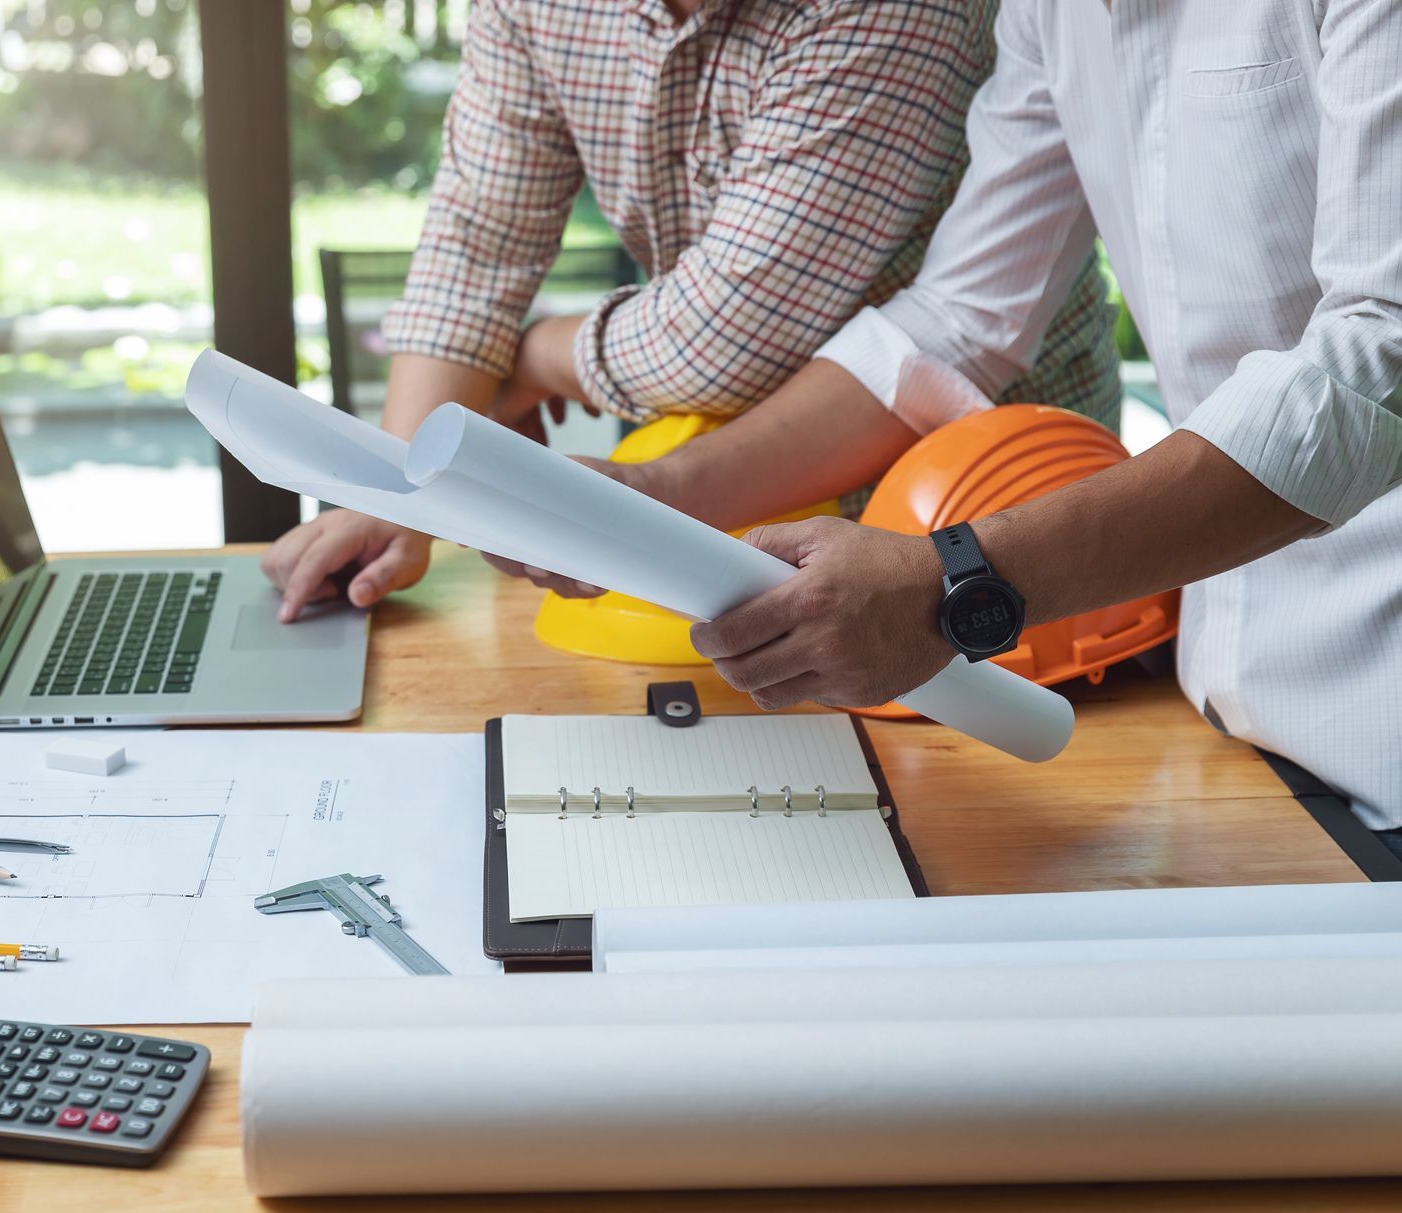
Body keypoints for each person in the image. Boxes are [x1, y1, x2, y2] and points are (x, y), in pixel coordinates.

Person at [615, 0, 1402, 844]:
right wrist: (654, 495)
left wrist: (954, 585)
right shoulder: (1052, 12)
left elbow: (1377, 358)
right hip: (1240, 727)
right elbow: (962, 319)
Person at [263, 0, 1119, 621]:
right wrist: (404, 492)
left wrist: (536, 357)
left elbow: (720, 339)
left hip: (986, 507)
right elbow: (477, 240)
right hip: (719, 494)